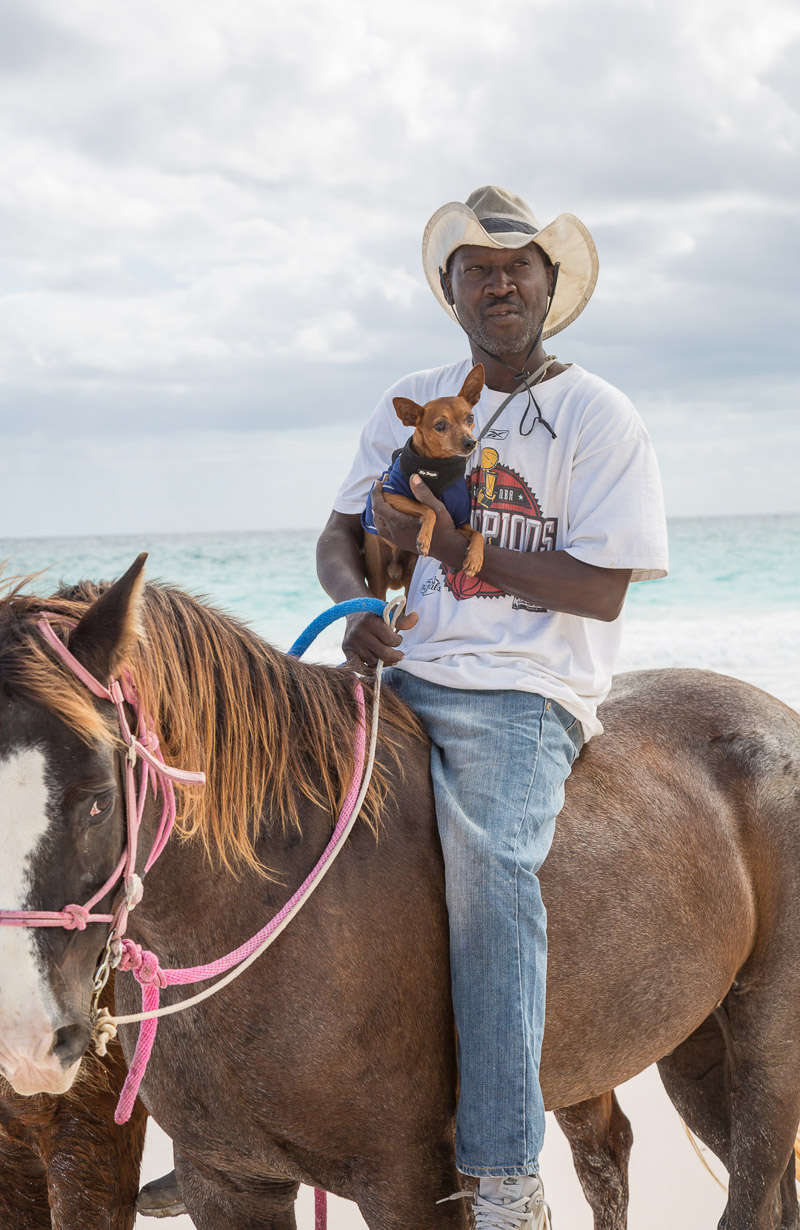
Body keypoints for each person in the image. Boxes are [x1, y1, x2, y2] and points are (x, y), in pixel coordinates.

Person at [316, 185, 669, 1229]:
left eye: (515, 265)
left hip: (523, 691)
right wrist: (355, 603)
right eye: (474, 269)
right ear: (449, 292)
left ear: (549, 286)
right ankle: (241, 1118)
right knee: (254, 815)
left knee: (487, 867)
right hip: (402, 672)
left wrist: (447, 548)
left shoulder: (598, 417)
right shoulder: (413, 394)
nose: (497, 281)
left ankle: (507, 1172)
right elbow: (341, 535)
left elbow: (600, 587)